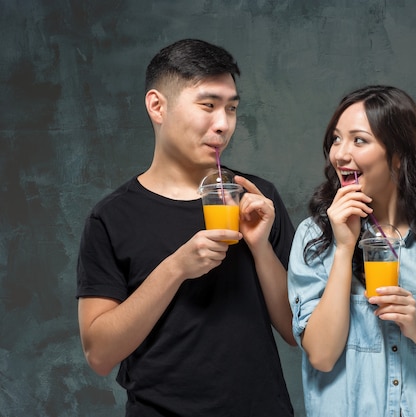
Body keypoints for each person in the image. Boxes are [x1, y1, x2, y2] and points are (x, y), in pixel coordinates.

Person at [77, 39, 296, 416]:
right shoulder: (111, 218)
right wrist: (176, 268)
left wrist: (259, 247)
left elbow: (297, 331)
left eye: (232, 109)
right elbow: (99, 354)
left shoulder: (257, 199)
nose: (223, 124)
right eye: (208, 106)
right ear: (157, 106)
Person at [288, 85, 416, 416]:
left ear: (398, 156)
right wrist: (344, 247)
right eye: (336, 139)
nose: (340, 154)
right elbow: (321, 355)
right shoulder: (316, 238)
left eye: (359, 140)